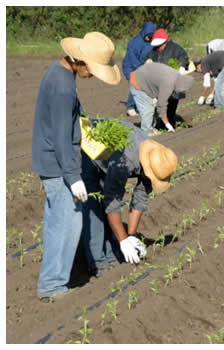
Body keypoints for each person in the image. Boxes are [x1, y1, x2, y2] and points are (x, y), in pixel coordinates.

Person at [31, 32, 121, 301]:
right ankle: (52, 285)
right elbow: (60, 136)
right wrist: (74, 176)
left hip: (52, 162)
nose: (92, 75)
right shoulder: (63, 87)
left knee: (57, 223)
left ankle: (53, 279)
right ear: (79, 61)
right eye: (92, 69)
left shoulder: (60, 73)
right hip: (58, 166)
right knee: (67, 225)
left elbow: (68, 123)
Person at [81, 120, 178, 276]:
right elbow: (112, 203)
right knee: (94, 204)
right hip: (88, 148)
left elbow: (140, 199)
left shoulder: (155, 158)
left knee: (107, 208)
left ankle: (113, 251)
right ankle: (97, 261)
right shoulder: (127, 161)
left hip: (109, 155)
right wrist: (123, 241)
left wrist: (131, 236)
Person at [129, 62, 193, 135]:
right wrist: (168, 125)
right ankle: (146, 133)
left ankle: (152, 128)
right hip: (138, 82)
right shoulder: (169, 84)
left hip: (147, 80)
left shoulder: (177, 76)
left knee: (154, 108)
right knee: (148, 110)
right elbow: (161, 105)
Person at [144, 28, 190, 128]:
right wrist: (148, 61)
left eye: (160, 46)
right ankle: (159, 125)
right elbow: (148, 57)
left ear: (165, 42)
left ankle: (170, 125)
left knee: (171, 106)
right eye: (157, 46)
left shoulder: (176, 49)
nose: (158, 48)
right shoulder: (154, 50)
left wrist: (182, 66)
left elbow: (184, 57)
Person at [122, 21, 156, 117]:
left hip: (143, 67)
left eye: (151, 36)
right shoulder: (134, 43)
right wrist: (142, 67)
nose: (149, 38)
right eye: (148, 36)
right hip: (131, 67)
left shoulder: (151, 42)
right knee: (136, 85)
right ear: (144, 33)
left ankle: (143, 105)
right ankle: (130, 107)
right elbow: (132, 59)